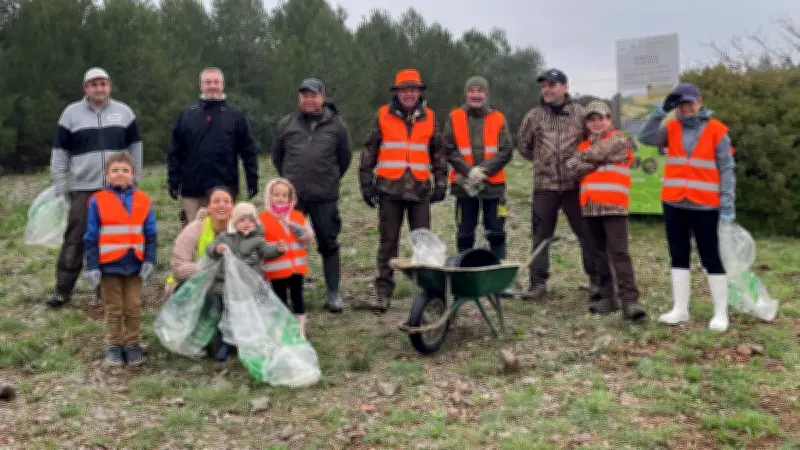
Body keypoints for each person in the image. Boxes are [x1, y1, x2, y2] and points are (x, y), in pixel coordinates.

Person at [638, 82, 736, 332]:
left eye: (689, 102)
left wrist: (727, 205)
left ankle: (720, 313)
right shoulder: (671, 128)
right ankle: (680, 310)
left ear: (699, 101)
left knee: (711, 258)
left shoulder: (717, 131)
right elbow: (645, 137)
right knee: (678, 255)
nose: (685, 108)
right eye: (680, 104)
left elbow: (727, 169)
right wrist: (661, 111)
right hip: (674, 203)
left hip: (705, 206)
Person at [46, 67, 143, 308]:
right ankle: (63, 289)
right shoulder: (71, 114)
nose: (99, 88)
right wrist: (60, 185)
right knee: (75, 239)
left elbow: (136, 148)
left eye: (103, 83)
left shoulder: (124, 112)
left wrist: (134, 179)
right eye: (94, 84)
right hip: (83, 188)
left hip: (117, 189)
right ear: (85, 88)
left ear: (110, 86)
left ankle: (105, 289)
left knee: (113, 239)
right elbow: (60, 152)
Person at [359, 68, 448, 313]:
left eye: (413, 89)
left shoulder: (430, 116)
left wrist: (441, 183)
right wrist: (366, 185)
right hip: (389, 190)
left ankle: (430, 294)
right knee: (388, 243)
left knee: (424, 243)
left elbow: (438, 152)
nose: (409, 94)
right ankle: (383, 293)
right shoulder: (382, 116)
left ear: (419, 91)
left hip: (420, 191)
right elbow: (369, 151)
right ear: (397, 92)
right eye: (404, 89)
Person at [272, 78, 351, 313]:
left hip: (324, 195)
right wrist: (289, 182)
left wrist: (328, 178)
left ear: (322, 97)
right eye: (304, 95)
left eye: (313, 95)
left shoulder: (337, 125)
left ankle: (333, 294)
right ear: (299, 98)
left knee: (328, 243)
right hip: (292, 199)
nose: (309, 99)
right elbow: (278, 157)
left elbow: (344, 158)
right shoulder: (286, 124)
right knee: (287, 243)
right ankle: (287, 294)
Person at [517, 68, 597, 301]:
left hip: (575, 186)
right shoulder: (534, 116)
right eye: (544, 86)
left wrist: (577, 164)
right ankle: (538, 283)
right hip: (545, 186)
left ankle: (596, 279)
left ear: (565, 87)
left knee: (587, 234)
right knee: (540, 236)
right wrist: (543, 161)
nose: (547, 89)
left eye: (552, 85)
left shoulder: (581, 114)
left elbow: (591, 142)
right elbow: (523, 145)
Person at [566, 101, 646, 320]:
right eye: (592, 119)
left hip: (614, 205)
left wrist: (588, 159)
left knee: (619, 253)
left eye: (601, 118)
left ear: (609, 120)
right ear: (587, 123)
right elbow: (571, 169)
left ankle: (630, 300)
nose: (597, 123)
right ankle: (608, 297)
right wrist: (593, 159)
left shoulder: (619, 139)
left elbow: (599, 152)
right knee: (598, 254)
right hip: (590, 207)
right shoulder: (583, 146)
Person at [83, 152, 157, 366]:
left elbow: (151, 233)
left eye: (125, 170)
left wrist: (150, 260)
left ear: (133, 174)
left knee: (133, 307)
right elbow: (90, 236)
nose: (120, 174)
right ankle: (115, 345)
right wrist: (92, 266)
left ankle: (132, 344)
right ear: (106, 175)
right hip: (109, 265)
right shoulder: (97, 200)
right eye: (115, 170)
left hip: (135, 264)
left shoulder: (143, 199)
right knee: (114, 308)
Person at [444, 76, 515, 296]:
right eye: (472, 91)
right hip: (464, 187)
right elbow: (448, 148)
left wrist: (483, 170)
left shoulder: (499, 118)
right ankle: (464, 276)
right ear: (466, 94)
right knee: (465, 232)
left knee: (496, 231)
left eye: (480, 91)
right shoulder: (454, 117)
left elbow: (506, 150)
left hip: (493, 186)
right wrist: (468, 171)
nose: (476, 95)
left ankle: (500, 281)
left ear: (486, 94)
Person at [168, 67, 260, 223]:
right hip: (193, 189)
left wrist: (252, 178)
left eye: (216, 82)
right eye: (208, 82)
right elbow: (175, 151)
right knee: (193, 236)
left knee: (225, 237)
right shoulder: (187, 114)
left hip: (225, 188)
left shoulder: (235, 115)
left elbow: (248, 150)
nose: (212, 86)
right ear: (201, 85)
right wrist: (173, 180)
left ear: (222, 85)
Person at [206, 202, 285, 359]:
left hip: (249, 286)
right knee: (226, 313)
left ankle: (247, 343)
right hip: (226, 285)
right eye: (242, 220)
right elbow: (210, 248)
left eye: (250, 220)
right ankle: (225, 343)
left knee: (246, 315)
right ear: (234, 222)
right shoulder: (224, 237)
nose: (246, 224)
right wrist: (216, 249)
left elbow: (267, 250)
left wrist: (277, 249)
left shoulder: (257, 240)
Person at [259, 178, 315, 338]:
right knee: (280, 299)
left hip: (297, 269)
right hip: (276, 270)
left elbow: (308, 237)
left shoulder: (297, 216)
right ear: (269, 197)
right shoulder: (262, 219)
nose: (280, 198)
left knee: (298, 297)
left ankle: (299, 329)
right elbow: (260, 245)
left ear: (291, 198)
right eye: (276, 194)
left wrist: (292, 224)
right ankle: (282, 328)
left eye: (285, 195)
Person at [164, 187, 234, 296]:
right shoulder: (195, 228)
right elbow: (178, 269)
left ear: (232, 207)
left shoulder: (239, 229)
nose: (221, 205)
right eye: (216, 201)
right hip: (191, 284)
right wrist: (207, 269)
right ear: (208, 207)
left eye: (226, 201)